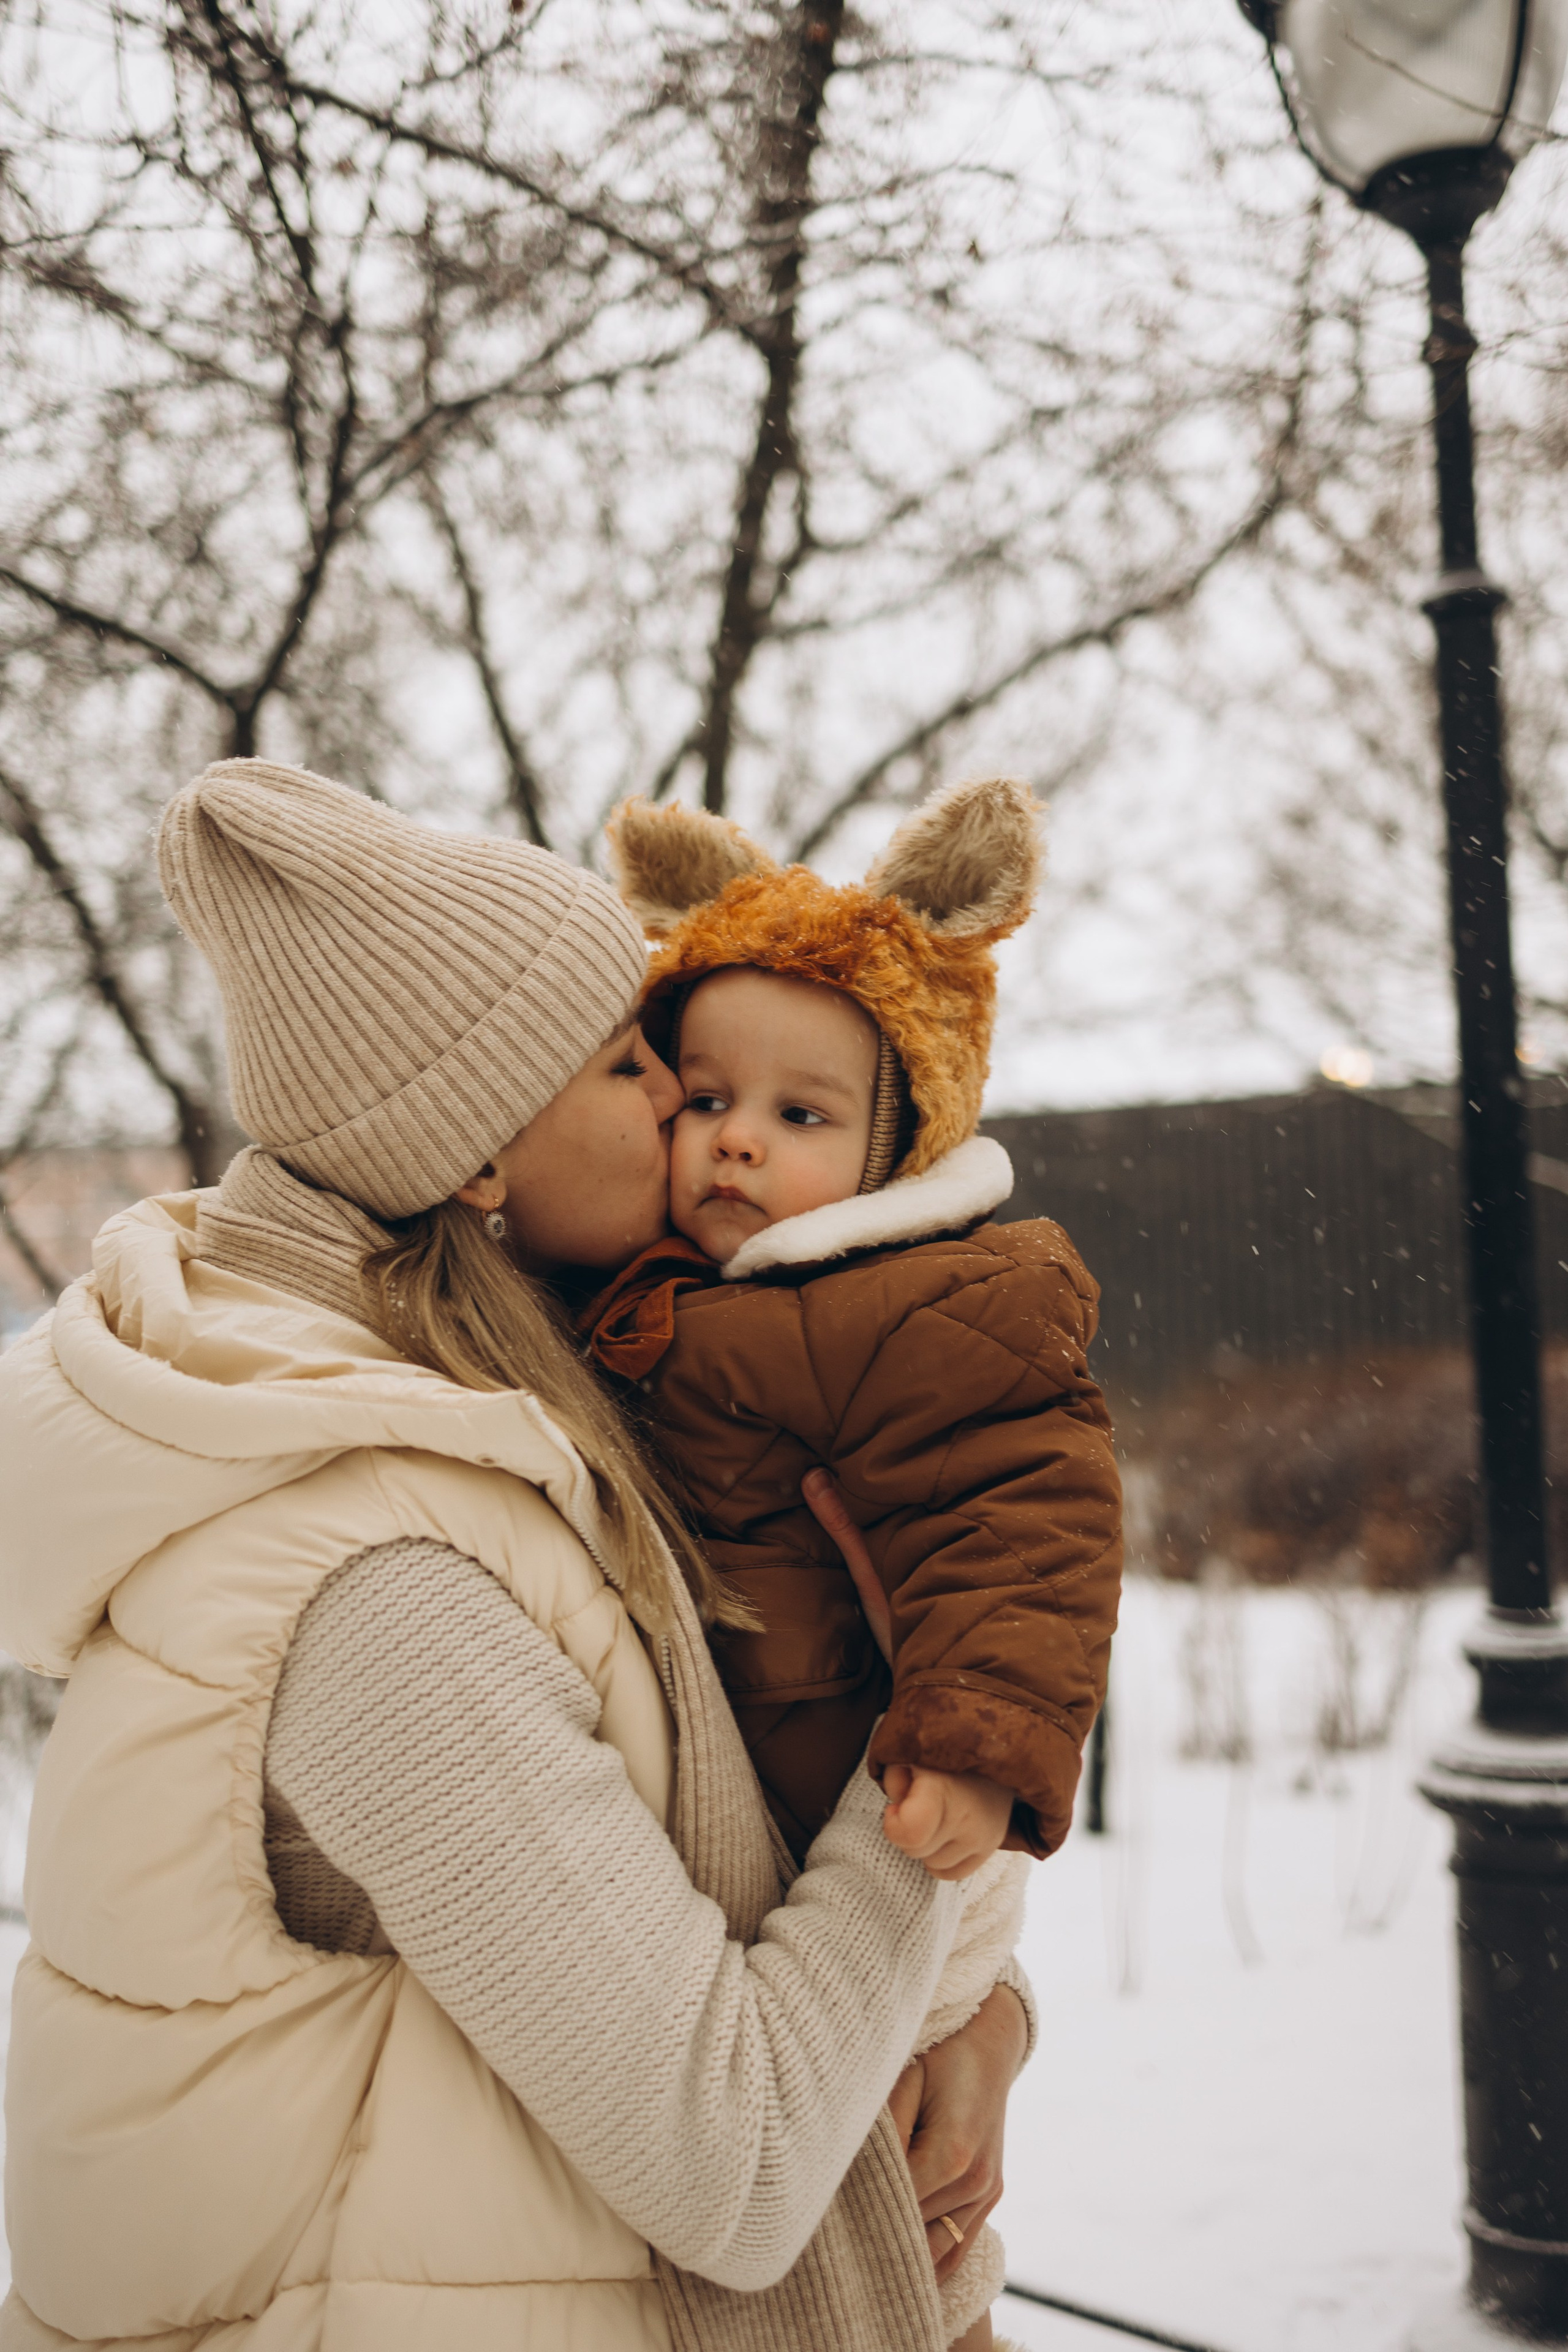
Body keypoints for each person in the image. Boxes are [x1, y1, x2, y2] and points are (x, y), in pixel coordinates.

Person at [0, 758, 1033, 2352]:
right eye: (632, 1066)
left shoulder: (530, 1411)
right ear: (479, 1160)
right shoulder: (377, 1580)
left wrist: (987, 2023)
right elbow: (743, 2163)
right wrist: (930, 1776)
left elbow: (731, 1867)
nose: (687, 1100)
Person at [581, 782, 1121, 1877]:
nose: (737, 1140)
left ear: (899, 1147)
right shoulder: (630, 1279)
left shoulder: (923, 1306)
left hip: (832, 1795)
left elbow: (1015, 1522)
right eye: (706, 1097)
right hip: (669, 1792)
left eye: (799, 1116)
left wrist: (971, 1744)